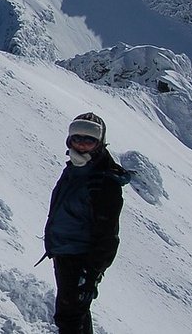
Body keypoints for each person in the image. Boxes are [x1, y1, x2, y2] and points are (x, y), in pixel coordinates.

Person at [43, 112, 130, 334]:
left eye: (89, 139)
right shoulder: (76, 168)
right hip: (66, 251)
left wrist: (90, 273)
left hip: (80, 258)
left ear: (99, 143)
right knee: (76, 314)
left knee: (69, 316)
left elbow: (108, 235)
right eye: (76, 138)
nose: (81, 144)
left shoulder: (101, 181)